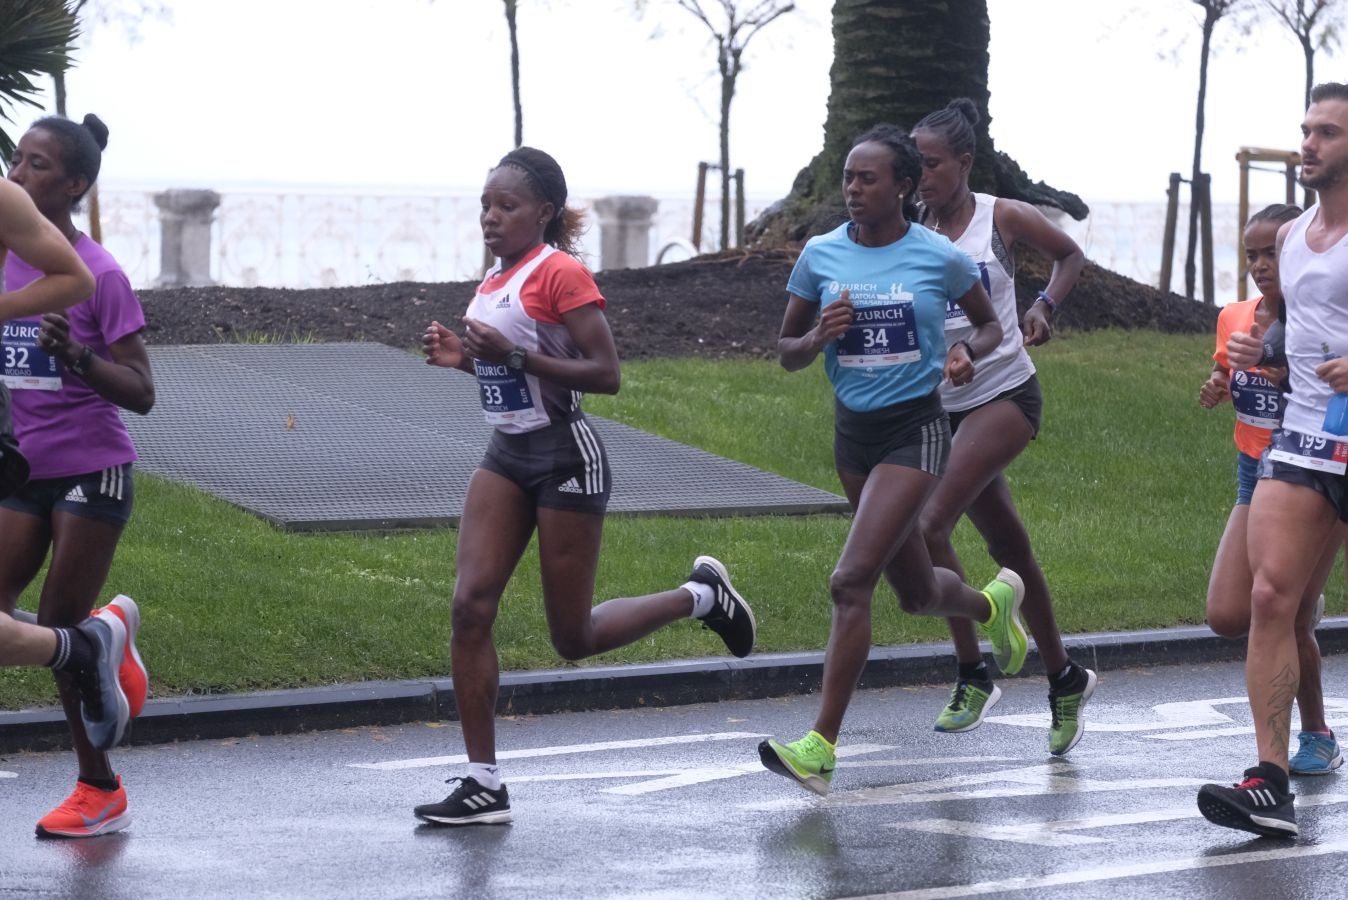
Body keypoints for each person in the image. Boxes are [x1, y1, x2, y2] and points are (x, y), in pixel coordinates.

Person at [414, 147, 755, 826]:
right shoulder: (495, 276)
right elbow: (512, 375)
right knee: (469, 607)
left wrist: (508, 354)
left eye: (506, 205)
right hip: (505, 455)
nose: (491, 216)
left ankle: (701, 597)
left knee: (573, 637)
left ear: (541, 212)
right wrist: (466, 361)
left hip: (568, 460)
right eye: (485, 204)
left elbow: (605, 372)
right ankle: (483, 781)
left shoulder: (560, 273)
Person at [757, 124, 1026, 796]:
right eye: (848, 177)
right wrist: (819, 334)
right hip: (855, 437)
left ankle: (820, 747)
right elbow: (785, 351)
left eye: (867, 178)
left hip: (917, 431)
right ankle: (993, 606)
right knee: (917, 592)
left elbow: (990, 323)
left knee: (851, 581)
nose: (852, 189)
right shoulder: (820, 256)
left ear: (903, 187)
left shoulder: (937, 256)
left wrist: (970, 352)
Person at [909, 99, 1096, 755]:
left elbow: (1069, 255)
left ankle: (972, 673)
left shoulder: (1000, 216)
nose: (921, 175)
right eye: (914, 164)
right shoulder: (910, 228)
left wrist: (1043, 307)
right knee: (1011, 550)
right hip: (943, 405)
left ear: (963, 162)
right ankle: (1064, 675)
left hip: (1007, 394)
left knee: (928, 523)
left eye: (930, 164)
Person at [1197, 82, 1348, 838]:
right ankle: (1270, 780)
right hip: (1308, 438)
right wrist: (1263, 354)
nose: (1308, 145)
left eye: (1326, 132)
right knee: (1266, 600)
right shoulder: (1292, 239)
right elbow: (1300, 329)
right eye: (1306, 130)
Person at [2, 114, 154, 838]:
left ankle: (100, 789)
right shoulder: (5, 253)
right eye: (16, 159)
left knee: (60, 622)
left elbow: (143, 392)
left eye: (37, 165)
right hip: (24, 463)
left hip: (94, 467)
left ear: (74, 185)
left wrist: (79, 360)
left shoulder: (101, 274)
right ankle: (106, 643)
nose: (19, 174)